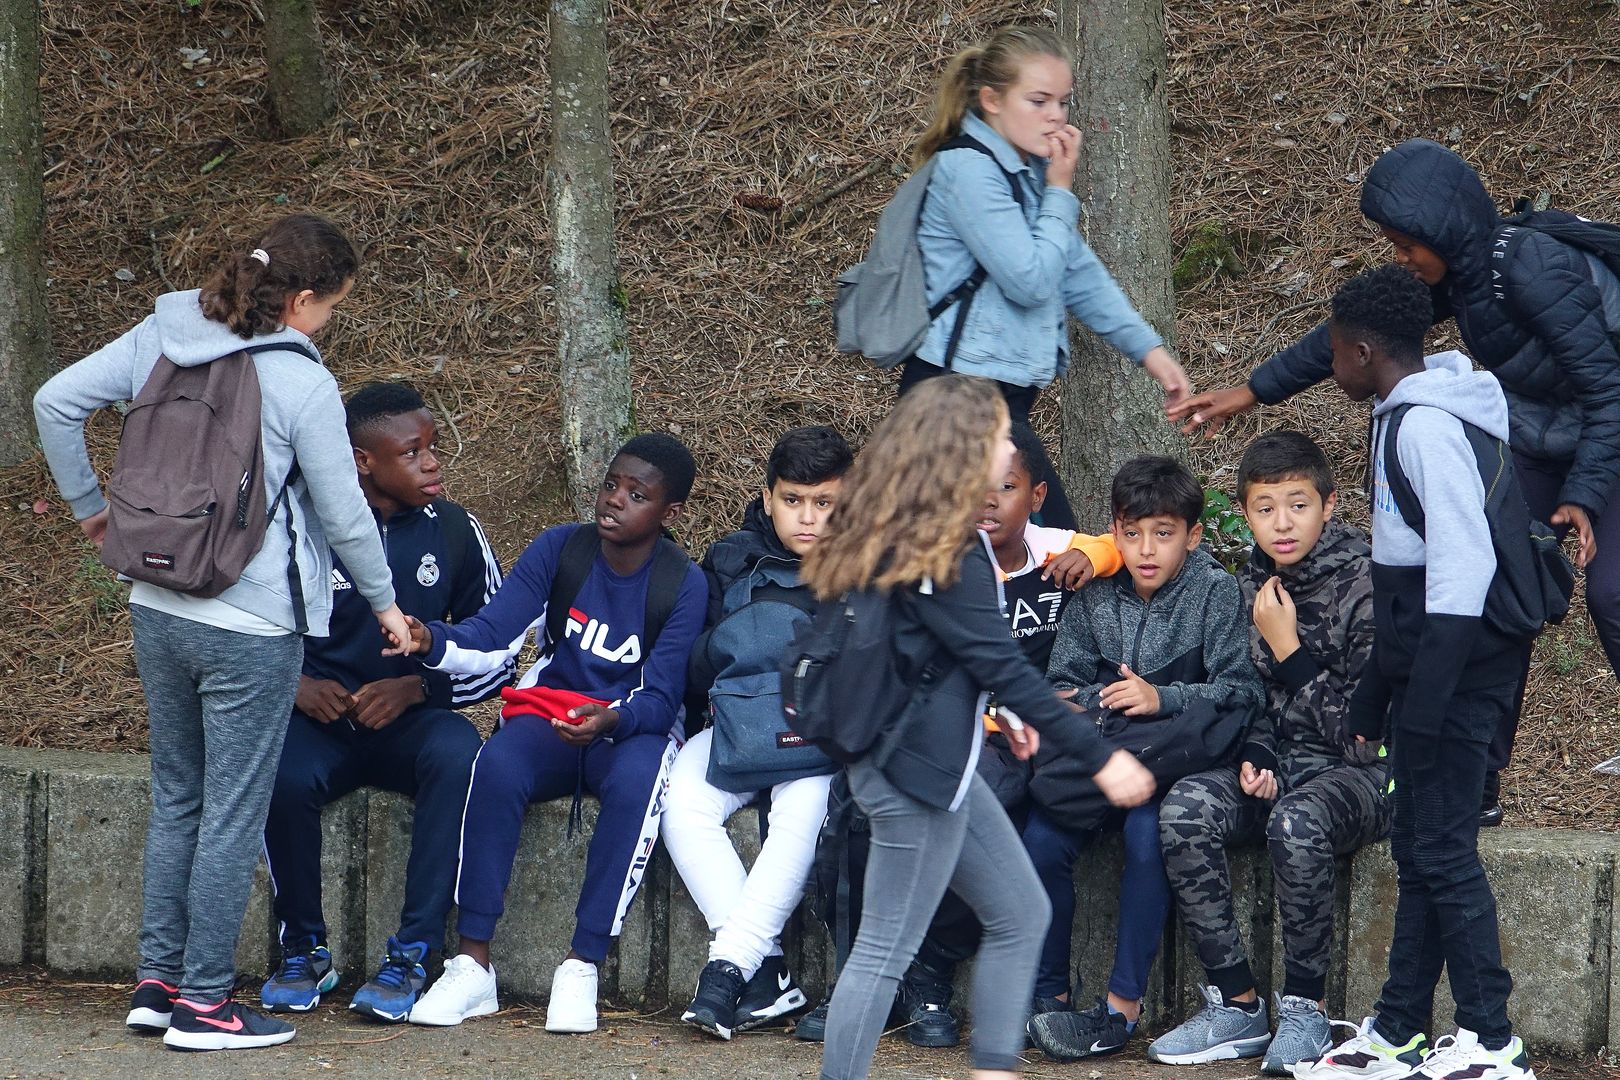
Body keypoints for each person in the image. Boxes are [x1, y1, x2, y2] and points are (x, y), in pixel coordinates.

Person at [32, 214, 410, 1051]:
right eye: (331, 309)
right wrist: (383, 602)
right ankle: (205, 1005)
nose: (329, 325)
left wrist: (92, 512)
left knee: (179, 797)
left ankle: (158, 984)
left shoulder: (163, 334)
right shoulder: (300, 382)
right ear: (302, 300)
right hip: (250, 619)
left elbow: (52, 401)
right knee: (232, 812)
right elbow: (345, 514)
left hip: (157, 603)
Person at [1170, 138, 1620, 824]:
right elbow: (1353, 339)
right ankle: (1476, 780)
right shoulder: (1457, 277)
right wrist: (1252, 392)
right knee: (1504, 593)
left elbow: (1607, 389)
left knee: (1611, 594)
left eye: (1407, 245)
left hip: (1607, 430)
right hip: (1541, 435)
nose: (1402, 259)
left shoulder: (1531, 265)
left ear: (1445, 230)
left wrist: (1584, 495)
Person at [804, 375, 1155, 1080]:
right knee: (883, 950)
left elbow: (932, 657)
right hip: (916, 778)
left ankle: (993, 1068)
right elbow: (1004, 662)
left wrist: (995, 713)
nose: (1008, 446)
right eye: (997, 435)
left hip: (929, 764)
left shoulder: (904, 533)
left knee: (1020, 913)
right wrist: (1099, 757)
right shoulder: (950, 554)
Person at [1293, 265, 1533, 1080]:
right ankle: (1398, 1029)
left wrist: (1424, 704)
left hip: (1466, 670)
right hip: (1434, 667)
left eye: (1334, 352)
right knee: (1425, 848)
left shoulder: (1425, 428)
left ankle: (1493, 1041)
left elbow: (1460, 571)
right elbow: (1404, 574)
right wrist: (1377, 693)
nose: (1331, 366)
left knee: (1441, 848)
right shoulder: (1400, 418)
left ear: (1364, 351)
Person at [398, 434, 707, 1035]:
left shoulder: (683, 583)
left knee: (641, 781)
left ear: (669, 514)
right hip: (553, 714)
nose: (614, 500)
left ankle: (582, 964)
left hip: (629, 727)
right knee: (498, 764)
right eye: (611, 484)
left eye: (637, 494)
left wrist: (612, 720)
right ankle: (472, 965)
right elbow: (493, 631)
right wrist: (430, 639)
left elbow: (663, 696)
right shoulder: (562, 549)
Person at [259, 383, 511, 1023]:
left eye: (432, 448)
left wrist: (420, 687)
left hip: (411, 723)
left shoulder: (456, 530)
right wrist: (294, 686)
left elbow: (502, 651)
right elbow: (245, 629)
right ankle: (304, 948)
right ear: (362, 460)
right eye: (412, 452)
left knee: (460, 755)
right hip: (319, 721)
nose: (432, 464)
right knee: (278, 773)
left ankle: (414, 955)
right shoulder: (302, 522)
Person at [1150, 431, 1390, 1073]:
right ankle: (1238, 1003)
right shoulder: (1251, 578)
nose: (1281, 523)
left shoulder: (1368, 585)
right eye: (1264, 508)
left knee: (1297, 822)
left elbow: (1366, 737)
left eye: (1298, 504)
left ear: (1329, 504)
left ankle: (1306, 1009)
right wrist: (1259, 757)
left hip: (1358, 780)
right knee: (1185, 808)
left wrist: (1289, 651)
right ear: (1246, 512)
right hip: (1279, 770)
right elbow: (1248, 698)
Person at [882, 421, 1122, 1048]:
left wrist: (1092, 553)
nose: (987, 502)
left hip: (1038, 737)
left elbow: (1118, 545)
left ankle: (946, 971)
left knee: (1020, 818)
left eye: (1006, 488)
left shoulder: (1052, 549)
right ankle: (919, 970)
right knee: (958, 811)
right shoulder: (942, 564)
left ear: (1036, 497)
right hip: (966, 734)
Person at [899, 24, 1192, 529]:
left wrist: (1152, 353)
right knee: (1049, 551)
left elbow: (1076, 272)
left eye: (1062, 101)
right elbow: (1030, 280)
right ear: (991, 99)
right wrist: (1060, 189)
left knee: (1027, 555)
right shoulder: (968, 172)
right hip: (955, 401)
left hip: (998, 401)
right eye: (1039, 101)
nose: (1056, 116)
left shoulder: (1022, 172)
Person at [1024, 456, 1263, 1063]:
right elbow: (1062, 680)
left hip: (1171, 763)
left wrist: (1165, 697)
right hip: (1104, 755)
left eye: (1164, 534)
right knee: (1043, 836)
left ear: (1194, 534)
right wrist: (1093, 701)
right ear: (1114, 532)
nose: (1146, 550)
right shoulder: (1095, 591)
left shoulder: (1214, 592)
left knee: (1146, 834)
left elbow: (1242, 690)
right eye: (1131, 534)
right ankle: (1048, 994)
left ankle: (1118, 1010)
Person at [664, 425, 852, 1040]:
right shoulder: (728, 558)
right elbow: (691, 657)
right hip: (737, 728)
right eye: (793, 499)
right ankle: (767, 971)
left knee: (801, 811)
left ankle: (727, 971)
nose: (807, 518)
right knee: (682, 803)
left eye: (824, 502)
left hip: (819, 740)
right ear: (768, 497)